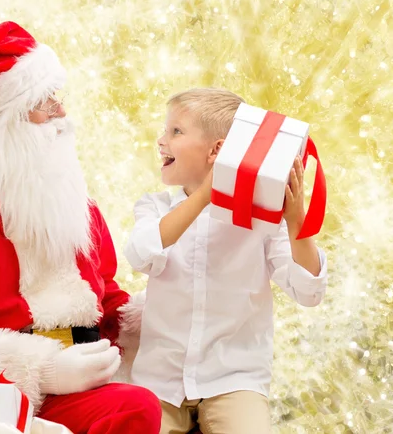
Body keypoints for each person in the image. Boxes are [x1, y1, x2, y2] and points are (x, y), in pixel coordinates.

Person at [0, 22, 161, 434]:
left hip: (92, 380)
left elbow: (103, 293)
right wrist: (44, 371)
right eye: (44, 102)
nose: (62, 113)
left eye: (58, 98)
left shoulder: (67, 193)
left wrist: (158, 314)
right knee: (135, 408)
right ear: (2, 120)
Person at [123, 88, 328, 434]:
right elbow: (141, 254)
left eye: (176, 131)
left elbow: (309, 292)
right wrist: (206, 195)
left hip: (234, 379)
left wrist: (295, 221)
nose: (161, 140)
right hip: (160, 380)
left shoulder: (262, 220)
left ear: (217, 151)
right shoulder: (155, 207)